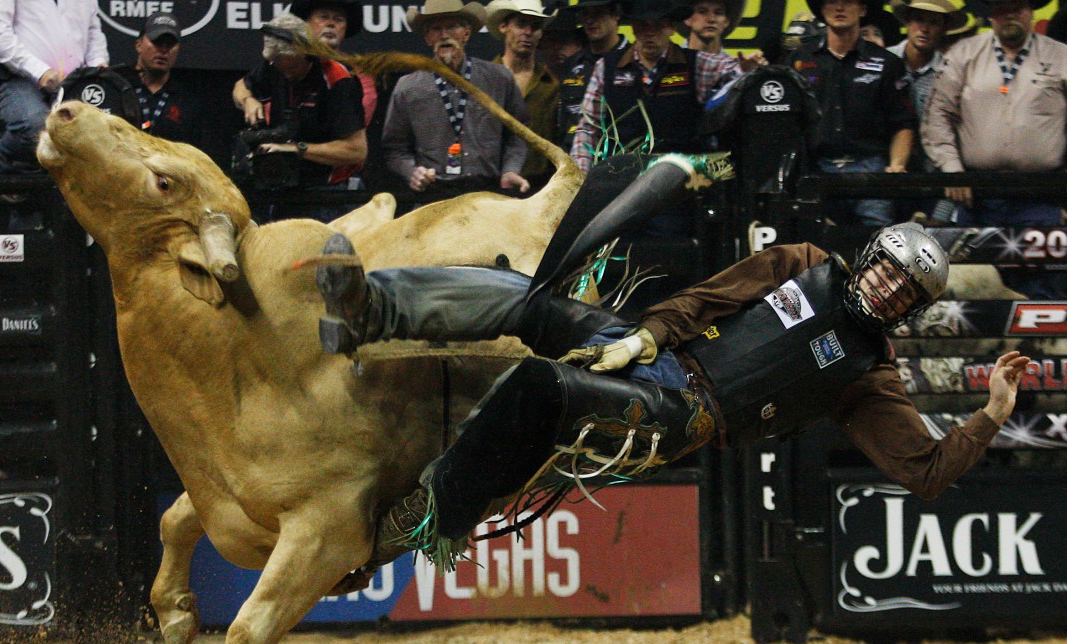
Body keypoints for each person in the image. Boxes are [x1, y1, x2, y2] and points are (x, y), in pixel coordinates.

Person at [310, 163, 1029, 577]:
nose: (886, 289)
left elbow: (925, 472)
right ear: (869, 258)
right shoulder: (805, 263)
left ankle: (432, 516)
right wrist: (644, 339)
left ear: (909, 310)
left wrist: (992, 413)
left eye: (904, 291)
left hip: (682, 418)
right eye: (887, 271)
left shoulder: (868, 375)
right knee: (529, 301)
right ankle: (373, 307)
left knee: (539, 387)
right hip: (656, 353)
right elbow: (708, 298)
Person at [921, 0, 1067, 298]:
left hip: (1041, 196)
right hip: (976, 195)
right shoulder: (964, 53)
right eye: (1001, 8)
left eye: (1017, 7)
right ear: (990, 15)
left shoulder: (1061, 56)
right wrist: (952, 169)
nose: (1009, 15)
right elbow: (937, 114)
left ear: (1030, 11)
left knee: (1042, 293)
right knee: (972, 292)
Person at [569, 0, 744, 176]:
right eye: (643, 25)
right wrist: (579, 176)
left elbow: (735, 71)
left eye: (658, 25)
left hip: (680, 179)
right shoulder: (606, 67)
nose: (650, 33)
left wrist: (747, 70)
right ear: (634, 27)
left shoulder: (696, 64)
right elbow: (588, 128)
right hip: (622, 177)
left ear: (672, 28)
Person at [381, 0, 530, 197]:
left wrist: (511, 169)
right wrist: (412, 172)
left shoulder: (499, 78)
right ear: (427, 38)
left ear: (466, 33)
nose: (444, 35)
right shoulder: (408, 87)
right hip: (433, 194)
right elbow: (394, 148)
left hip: (489, 193)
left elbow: (519, 133)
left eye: (452, 26)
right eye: (436, 29)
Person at [788, 0, 915, 228]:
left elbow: (903, 122)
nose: (839, 8)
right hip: (816, 169)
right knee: (816, 243)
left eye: (847, 1)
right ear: (822, 9)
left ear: (863, 9)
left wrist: (896, 166)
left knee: (878, 242)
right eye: (832, 1)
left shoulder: (887, 62)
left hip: (872, 168)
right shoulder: (799, 60)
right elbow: (788, 122)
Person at [231, 13, 366, 217]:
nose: (287, 74)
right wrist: (248, 100)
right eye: (281, 68)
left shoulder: (338, 79)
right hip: (284, 189)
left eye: (293, 68)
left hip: (330, 194)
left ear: (309, 56)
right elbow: (241, 86)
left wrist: (296, 149)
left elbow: (357, 151)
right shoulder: (274, 64)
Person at [0, 0, 109, 174]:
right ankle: (4, 163)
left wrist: (97, 65)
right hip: (18, 77)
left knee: (100, 129)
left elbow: (92, 32)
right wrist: (39, 71)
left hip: (74, 81)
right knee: (36, 125)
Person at [291, 0, 388, 190]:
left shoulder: (358, 76)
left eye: (338, 19)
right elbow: (245, 87)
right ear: (305, 25)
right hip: (286, 183)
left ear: (345, 29)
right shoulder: (288, 67)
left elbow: (348, 131)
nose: (331, 24)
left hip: (336, 187)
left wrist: (296, 145)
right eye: (323, 17)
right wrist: (248, 99)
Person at [487, 0, 559, 187]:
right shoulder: (483, 81)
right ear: (503, 27)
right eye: (521, 24)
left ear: (540, 33)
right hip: (491, 183)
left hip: (541, 184)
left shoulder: (551, 84)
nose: (528, 32)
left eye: (535, 26)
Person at [118, 14, 205, 150]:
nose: (163, 50)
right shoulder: (117, 88)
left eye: (170, 44)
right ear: (139, 45)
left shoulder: (187, 102)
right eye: (157, 42)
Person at [557, 0, 631, 153]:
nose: (590, 20)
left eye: (598, 13)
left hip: (622, 156)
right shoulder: (571, 65)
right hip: (572, 156)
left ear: (616, 15)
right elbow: (561, 121)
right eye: (585, 14)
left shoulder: (633, 61)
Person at [537, 4, 585, 77]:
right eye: (550, 41)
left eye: (564, 40)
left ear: (579, 44)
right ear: (540, 45)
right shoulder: (530, 78)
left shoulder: (594, 76)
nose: (557, 47)